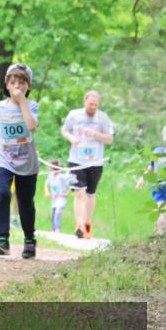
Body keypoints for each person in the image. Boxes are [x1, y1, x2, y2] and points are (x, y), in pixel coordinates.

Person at [0, 64, 40, 259]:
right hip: (4, 157)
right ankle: (3, 239)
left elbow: (31, 126)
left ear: (28, 86)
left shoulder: (31, 106)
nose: (17, 87)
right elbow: (3, 127)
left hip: (26, 162)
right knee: (3, 194)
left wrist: (22, 100)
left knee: (25, 203)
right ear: (6, 85)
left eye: (21, 83)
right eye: (12, 82)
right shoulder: (0, 106)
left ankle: (30, 239)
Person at [62, 91, 115, 239]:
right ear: (85, 101)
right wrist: (72, 137)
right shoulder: (74, 115)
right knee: (79, 192)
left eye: (96, 105)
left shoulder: (103, 118)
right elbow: (65, 130)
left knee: (91, 193)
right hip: (76, 159)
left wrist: (96, 135)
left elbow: (110, 139)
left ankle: (87, 224)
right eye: (91, 104)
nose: (93, 107)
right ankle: (79, 225)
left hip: (95, 161)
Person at [135, 124, 166, 236]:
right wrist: (142, 179)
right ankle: (158, 235)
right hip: (160, 188)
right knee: (161, 211)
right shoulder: (157, 152)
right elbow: (151, 167)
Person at [44, 159, 72, 232]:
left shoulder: (62, 176)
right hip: (54, 198)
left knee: (58, 212)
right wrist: (47, 192)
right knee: (53, 212)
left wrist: (67, 193)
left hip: (61, 197)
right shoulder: (50, 175)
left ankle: (57, 228)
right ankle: (53, 229)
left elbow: (71, 184)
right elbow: (46, 184)